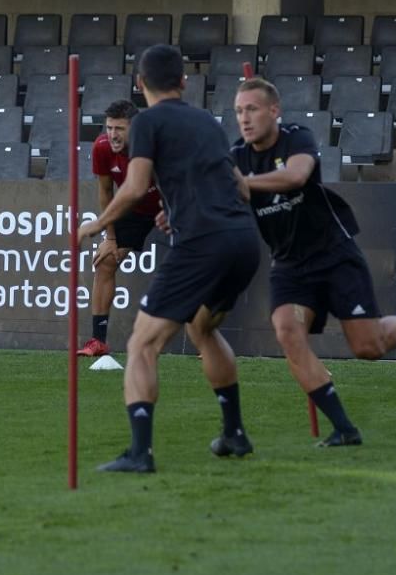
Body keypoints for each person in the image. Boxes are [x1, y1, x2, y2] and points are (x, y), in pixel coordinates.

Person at [233, 78, 396, 446]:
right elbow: (220, 198)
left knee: (368, 348)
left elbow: (297, 176)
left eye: (251, 109)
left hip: (333, 254)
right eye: (239, 111)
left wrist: (246, 184)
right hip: (287, 263)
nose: (244, 119)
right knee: (287, 331)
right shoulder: (237, 157)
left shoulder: (296, 138)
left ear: (274, 110)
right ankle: (345, 429)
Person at [76, 45, 261, 473]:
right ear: (183, 82)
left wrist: (95, 225)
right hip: (242, 239)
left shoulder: (148, 123)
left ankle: (140, 454)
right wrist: (179, 207)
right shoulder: (209, 123)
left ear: (141, 85)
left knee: (141, 343)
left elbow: (135, 187)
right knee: (203, 329)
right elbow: (242, 188)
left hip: (202, 243)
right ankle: (233, 433)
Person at [75, 99, 162, 358]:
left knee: (197, 261)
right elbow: (105, 193)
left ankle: (206, 338)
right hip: (132, 209)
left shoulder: (153, 147)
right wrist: (110, 237)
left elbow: (177, 184)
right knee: (105, 261)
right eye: (109, 127)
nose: (113, 134)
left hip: (170, 205)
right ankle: (98, 341)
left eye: (120, 129)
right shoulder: (102, 147)